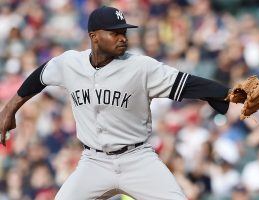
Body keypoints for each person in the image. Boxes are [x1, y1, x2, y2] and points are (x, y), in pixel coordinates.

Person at [0, 6, 235, 200]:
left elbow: (187, 84)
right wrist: (10, 109)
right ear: (94, 36)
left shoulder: (141, 67)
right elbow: (39, 77)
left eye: (124, 32)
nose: (123, 37)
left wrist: (227, 93)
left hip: (138, 159)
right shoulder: (70, 63)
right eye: (114, 33)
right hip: (93, 161)